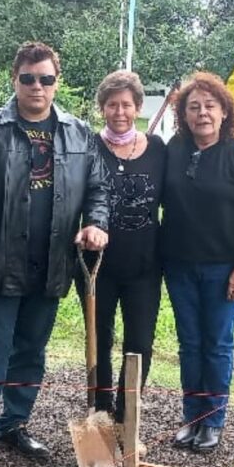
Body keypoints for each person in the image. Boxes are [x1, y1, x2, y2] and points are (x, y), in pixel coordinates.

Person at [0, 41, 110, 467]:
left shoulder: (79, 133)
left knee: (31, 350)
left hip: (53, 260)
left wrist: (96, 222)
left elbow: (98, 189)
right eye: (28, 78)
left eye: (46, 78)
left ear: (57, 82)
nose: (37, 87)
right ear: (14, 79)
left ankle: (14, 423)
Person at [161, 72, 234, 453]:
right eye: (194, 107)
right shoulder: (173, 150)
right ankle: (192, 417)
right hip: (178, 266)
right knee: (189, 344)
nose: (202, 113)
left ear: (224, 112)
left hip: (224, 270)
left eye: (209, 106)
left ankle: (213, 421)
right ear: (184, 115)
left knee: (217, 345)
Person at [76, 70, 166, 424]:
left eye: (126, 105)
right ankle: (99, 414)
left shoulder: (158, 149)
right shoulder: (87, 146)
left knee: (139, 341)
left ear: (138, 107)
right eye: (111, 105)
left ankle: (128, 416)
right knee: (98, 339)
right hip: (96, 265)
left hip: (145, 264)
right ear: (102, 108)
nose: (119, 112)